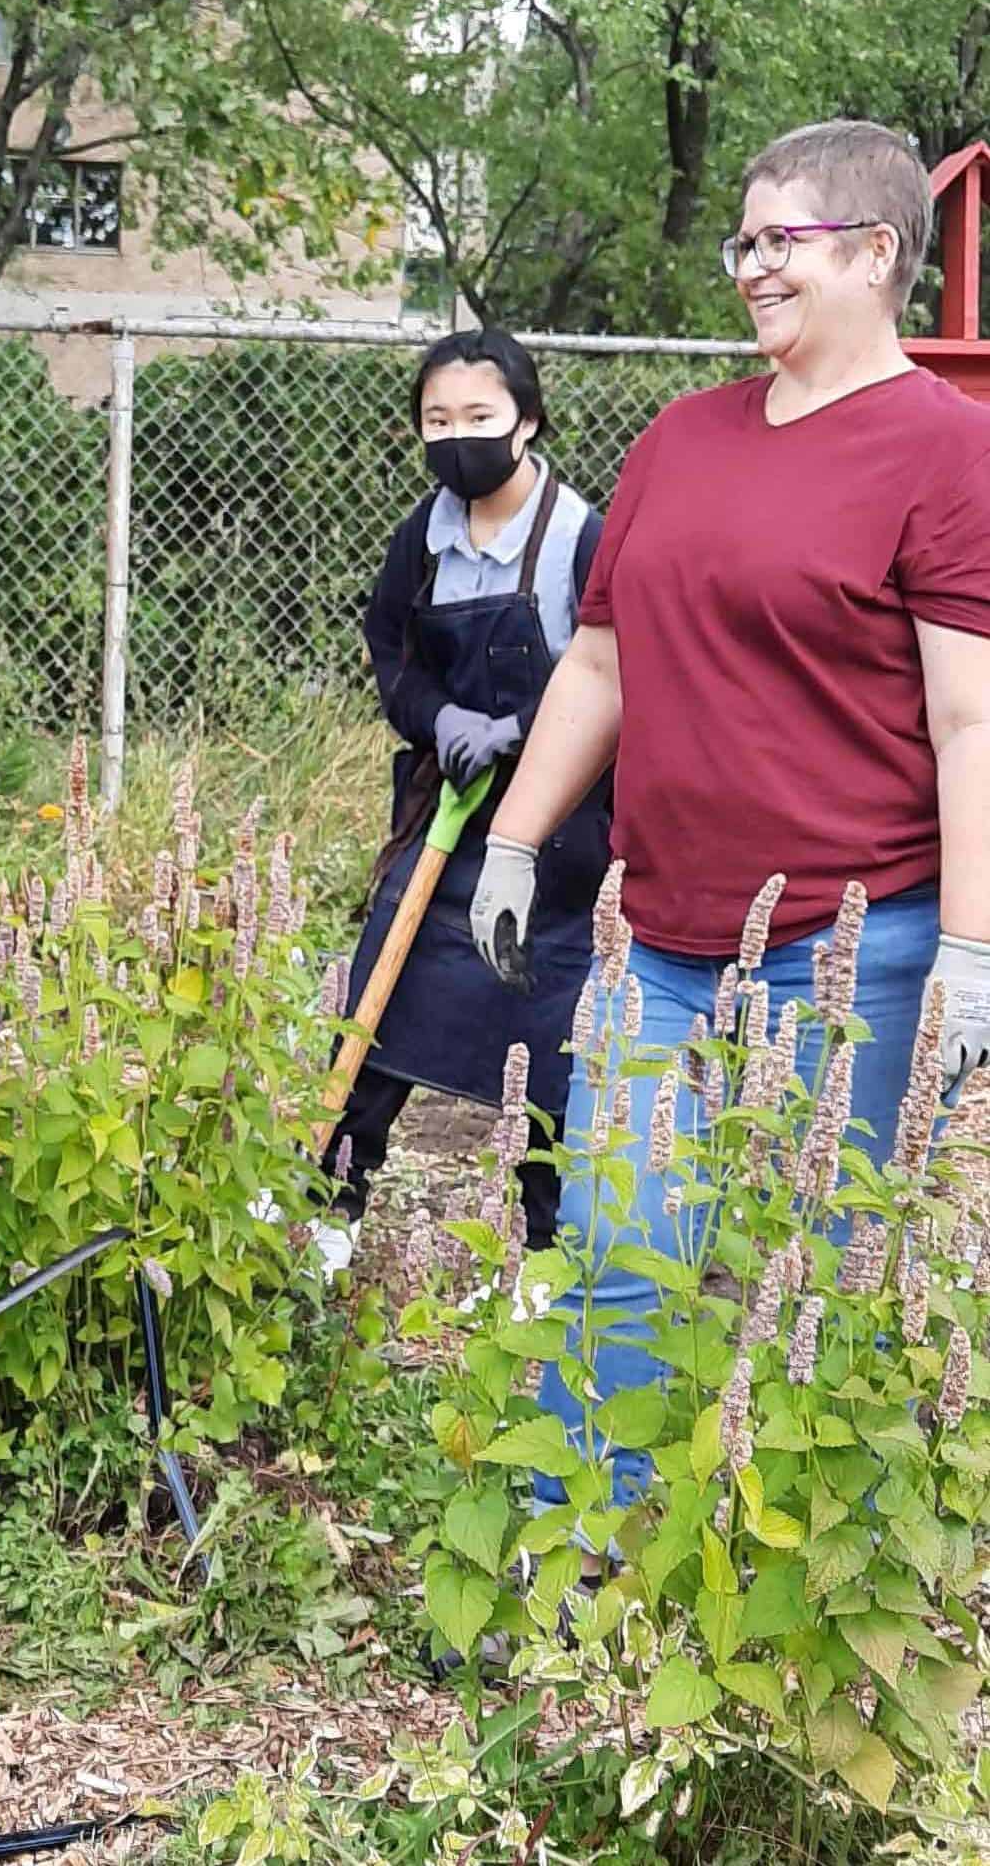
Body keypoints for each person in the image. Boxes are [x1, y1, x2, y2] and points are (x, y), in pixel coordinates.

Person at [469, 118, 990, 1539]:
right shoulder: (683, 438)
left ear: (878, 253)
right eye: (743, 240)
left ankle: (798, 1589)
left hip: (850, 955)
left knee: (810, 1274)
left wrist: (970, 949)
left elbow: (970, 722)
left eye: (784, 240)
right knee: (618, 1253)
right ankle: (585, 1556)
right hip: (660, 942)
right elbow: (602, 661)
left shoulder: (949, 453)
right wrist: (517, 838)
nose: (752, 266)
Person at [316, 328, 609, 1273]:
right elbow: (390, 651)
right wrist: (438, 718)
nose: (457, 438)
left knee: (548, 1047)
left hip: (557, 836)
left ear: (526, 420)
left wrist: (522, 734)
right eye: (437, 420)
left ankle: (544, 1252)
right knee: (376, 1009)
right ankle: (329, 1215)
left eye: (478, 417)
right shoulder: (424, 537)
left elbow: (615, 676)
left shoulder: (581, 536)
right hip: (443, 815)